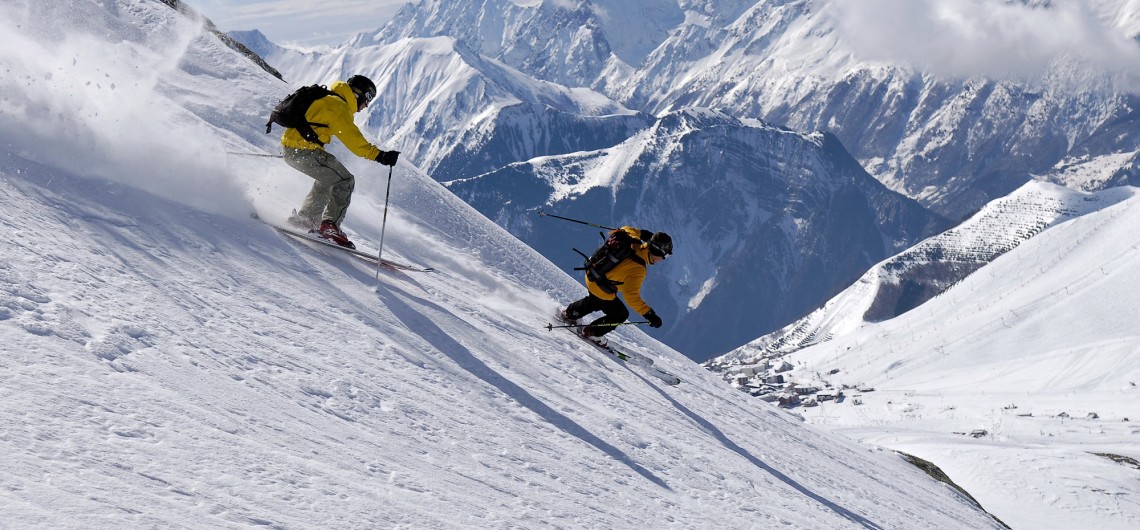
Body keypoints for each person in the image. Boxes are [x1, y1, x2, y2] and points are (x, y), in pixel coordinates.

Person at [280, 74, 400, 249]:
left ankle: (307, 218)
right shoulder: (338, 107)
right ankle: (330, 226)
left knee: (328, 178)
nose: (366, 106)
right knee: (345, 180)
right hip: (305, 152)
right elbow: (354, 141)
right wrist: (380, 156)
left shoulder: (328, 98)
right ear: (358, 94)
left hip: (292, 150)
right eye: (367, 99)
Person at [560, 227, 673, 344]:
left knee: (595, 301)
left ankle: (570, 313)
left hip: (591, 272)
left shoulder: (633, 240)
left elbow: (626, 228)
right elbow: (631, 296)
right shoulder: (638, 269)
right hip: (600, 287)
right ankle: (592, 333)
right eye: (665, 256)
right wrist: (649, 314)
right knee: (620, 314)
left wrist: (645, 234)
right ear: (657, 252)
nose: (663, 259)